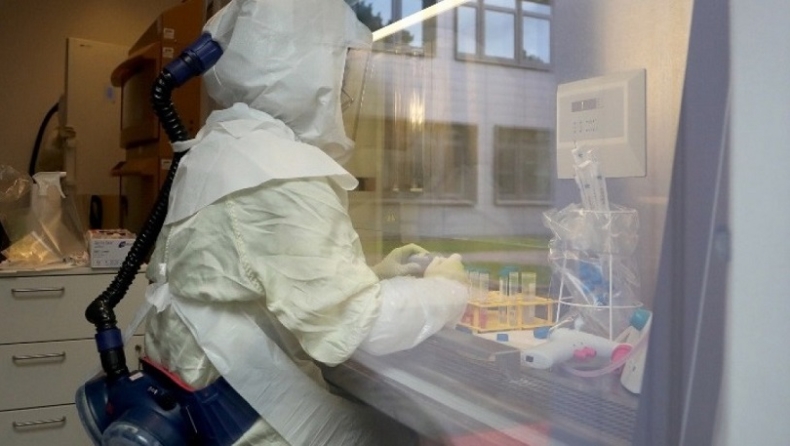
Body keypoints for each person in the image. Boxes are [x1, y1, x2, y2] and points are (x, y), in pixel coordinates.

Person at [142, 0, 471, 444]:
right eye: (341, 66)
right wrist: (449, 290)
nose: (345, 88)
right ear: (307, 64)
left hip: (212, 402)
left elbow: (250, 280)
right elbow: (361, 327)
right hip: (254, 417)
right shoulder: (277, 172)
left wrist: (374, 277)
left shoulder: (221, 149)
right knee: (423, 432)